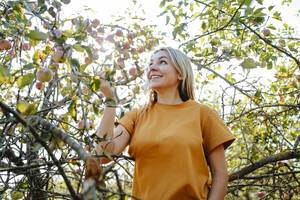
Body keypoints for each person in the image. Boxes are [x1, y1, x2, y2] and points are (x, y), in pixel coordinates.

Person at [95, 47, 235, 200]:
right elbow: (103, 156)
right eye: (150, 64)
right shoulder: (138, 114)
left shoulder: (203, 114)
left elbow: (220, 174)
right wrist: (110, 102)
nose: (152, 68)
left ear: (181, 73)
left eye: (162, 62)